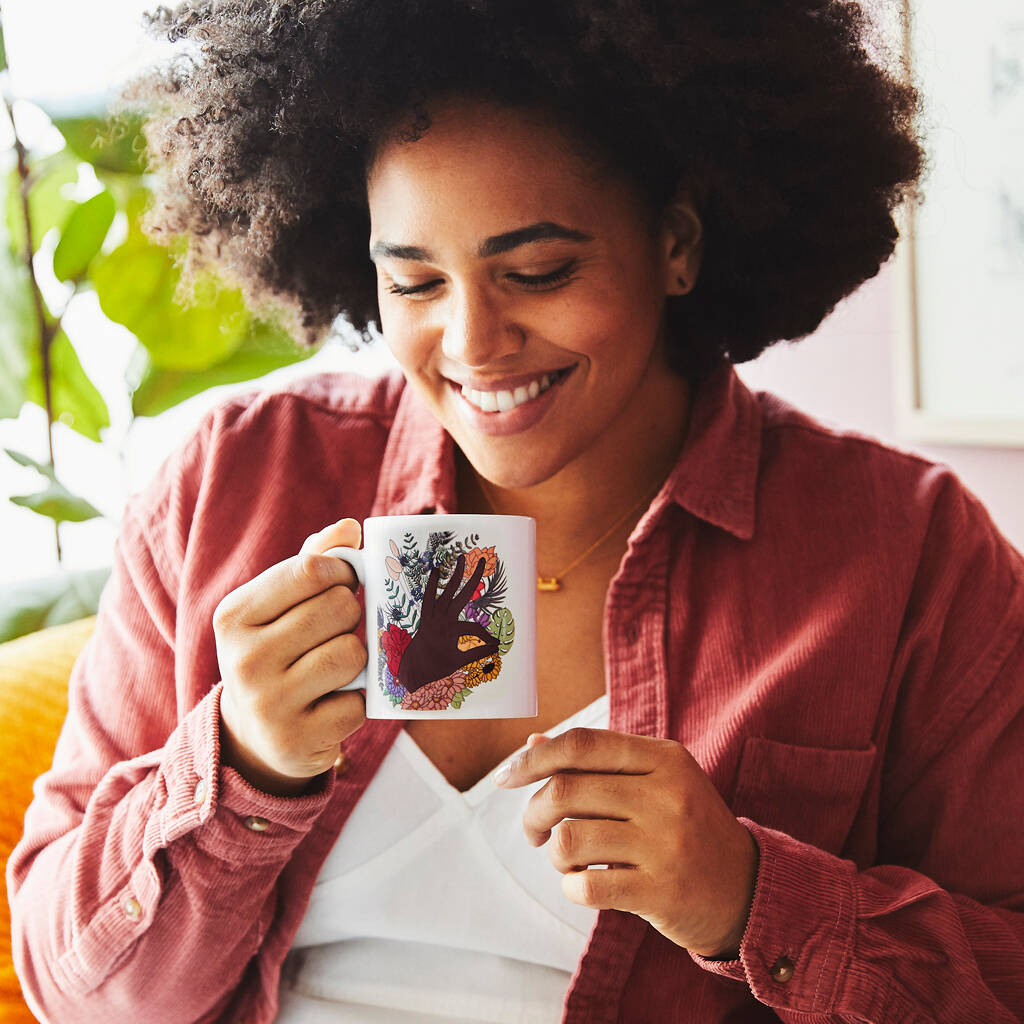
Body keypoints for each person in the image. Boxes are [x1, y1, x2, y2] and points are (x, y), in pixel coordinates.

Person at [7, 0, 1024, 1021]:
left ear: (676, 242)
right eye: (412, 281)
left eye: (537, 272)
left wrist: (749, 897)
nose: (474, 342)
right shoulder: (236, 480)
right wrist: (240, 765)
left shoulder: (905, 551)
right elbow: (78, 995)